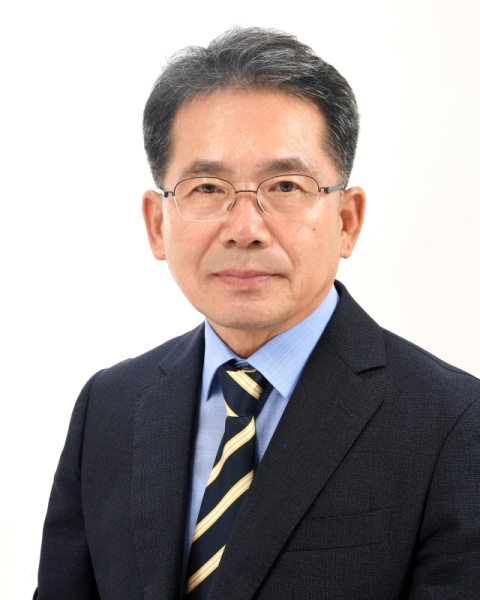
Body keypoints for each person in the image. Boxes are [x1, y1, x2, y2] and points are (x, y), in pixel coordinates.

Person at [35, 27, 480, 600]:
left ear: (347, 220)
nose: (244, 229)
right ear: (156, 223)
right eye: (206, 187)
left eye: (286, 185)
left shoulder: (454, 424)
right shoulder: (110, 408)